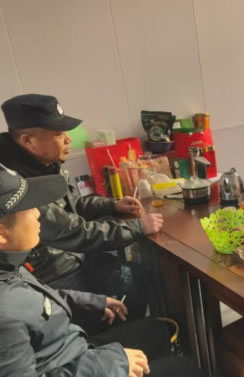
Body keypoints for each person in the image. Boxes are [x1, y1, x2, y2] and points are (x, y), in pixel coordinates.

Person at [0, 164, 215, 377]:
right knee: (184, 375)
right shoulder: (5, 315)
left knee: (156, 332)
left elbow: (38, 300)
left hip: (72, 355)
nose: (38, 213)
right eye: (28, 208)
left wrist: (91, 301)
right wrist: (108, 363)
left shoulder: (8, 266)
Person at [0, 94, 164, 318]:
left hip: (75, 258)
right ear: (28, 141)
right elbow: (72, 231)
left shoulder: (45, 163)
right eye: (59, 134)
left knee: (137, 275)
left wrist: (112, 206)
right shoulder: (18, 185)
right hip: (55, 275)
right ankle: (123, 336)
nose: (68, 139)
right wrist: (138, 227)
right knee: (131, 281)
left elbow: (73, 203)